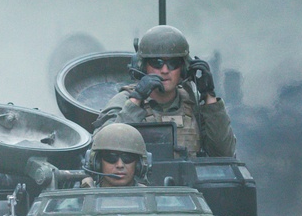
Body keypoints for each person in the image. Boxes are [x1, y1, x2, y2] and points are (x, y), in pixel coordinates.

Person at [94, 25, 236, 158]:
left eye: (173, 63)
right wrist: (135, 101)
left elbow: (224, 153)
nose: (165, 70)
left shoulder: (193, 104)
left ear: (183, 68)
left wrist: (209, 97)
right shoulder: (125, 101)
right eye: (157, 63)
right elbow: (100, 153)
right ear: (143, 67)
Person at [81, 122, 149, 188]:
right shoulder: (83, 196)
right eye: (111, 157)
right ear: (97, 162)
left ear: (139, 164)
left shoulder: (149, 197)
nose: (120, 165)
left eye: (128, 158)